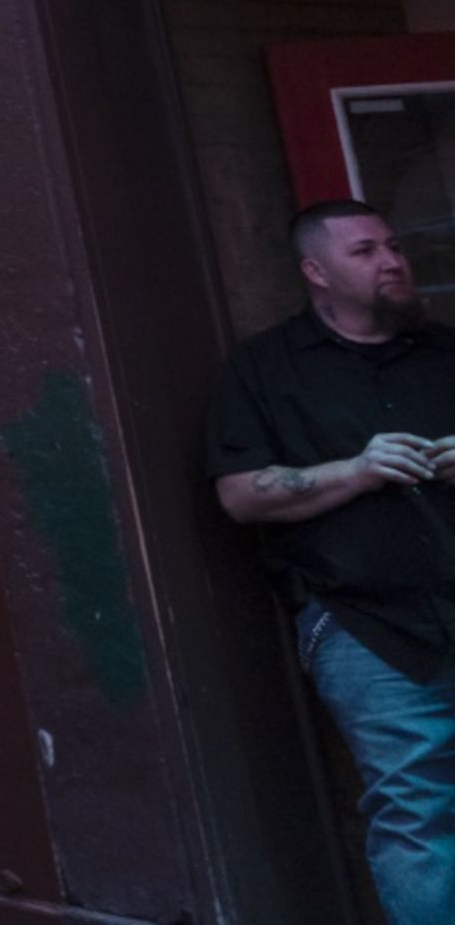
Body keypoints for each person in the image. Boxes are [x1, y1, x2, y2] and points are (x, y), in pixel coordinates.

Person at [211, 197, 455, 925]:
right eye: (365, 252)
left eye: (393, 246)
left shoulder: (445, 352)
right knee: (417, 813)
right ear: (315, 272)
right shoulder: (265, 369)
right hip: (366, 624)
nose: (392, 261)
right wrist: (359, 468)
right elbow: (240, 495)